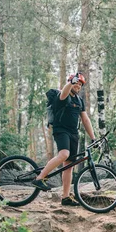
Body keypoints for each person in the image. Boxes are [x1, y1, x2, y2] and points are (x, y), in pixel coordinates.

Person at [32, 72, 97, 206]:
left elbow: (85, 119)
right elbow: (64, 93)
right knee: (64, 154)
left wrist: (93, 138)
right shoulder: (62, 95)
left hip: (74, 133)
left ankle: (66, 197)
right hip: (61, 130)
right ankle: (39, 178)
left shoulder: (79, 101)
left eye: (80, 85)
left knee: (69, 166)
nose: (78, 86)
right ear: (70, 82)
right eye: (76, 83)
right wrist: (71, 82)